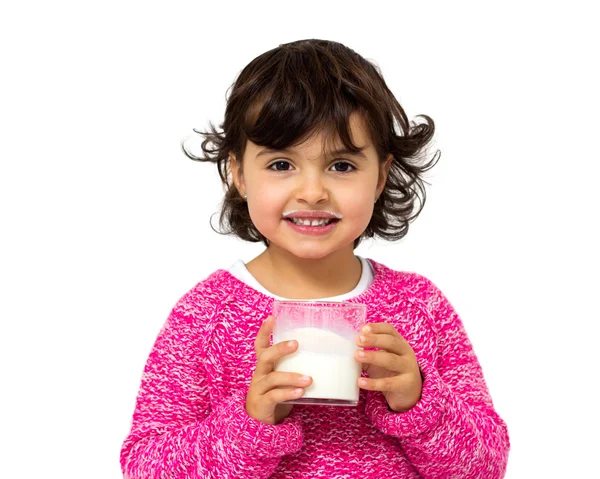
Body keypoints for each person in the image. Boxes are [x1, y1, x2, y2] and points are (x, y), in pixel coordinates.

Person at [120, 39, 510, 478]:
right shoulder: (205, 315)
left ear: (380, 177)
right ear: (238, 174)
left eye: (341, 165)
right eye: (281, 164)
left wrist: (419, 400)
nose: (312, 191)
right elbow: (147, 467)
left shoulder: (419, 305)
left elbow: (487, 466)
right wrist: (251, 422)